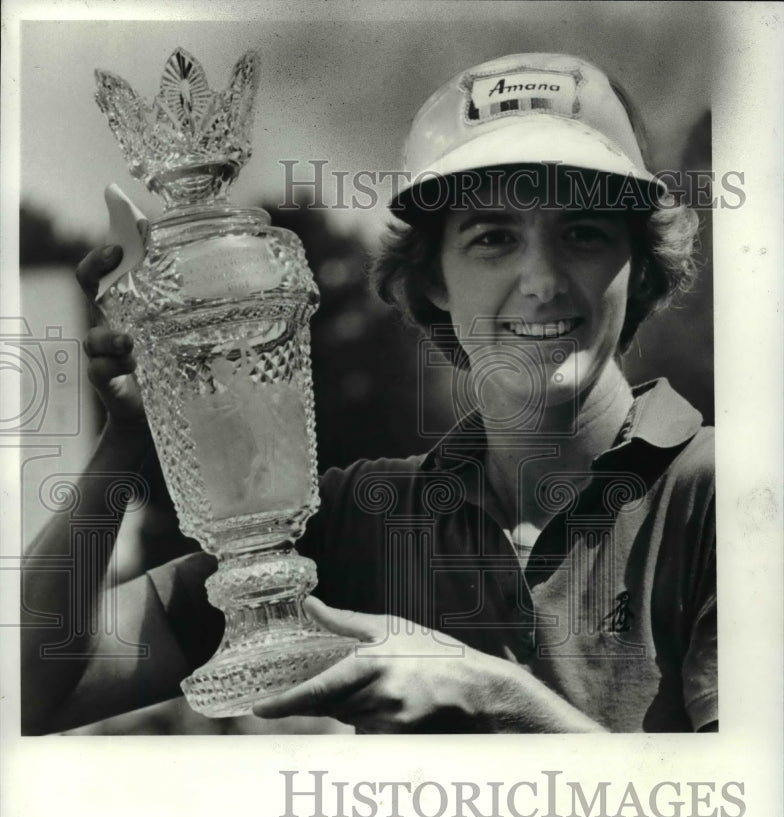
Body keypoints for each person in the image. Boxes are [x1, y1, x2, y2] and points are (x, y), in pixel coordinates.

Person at [21, 52, 716, 735]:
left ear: (639, 263)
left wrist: (490, 696)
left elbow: (736, 803)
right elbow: (34, 686)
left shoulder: (723, 494)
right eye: (494, 238)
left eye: (584, 233)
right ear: (434, 278)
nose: (541, 281)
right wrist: (130, 436)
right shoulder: (363, 518)